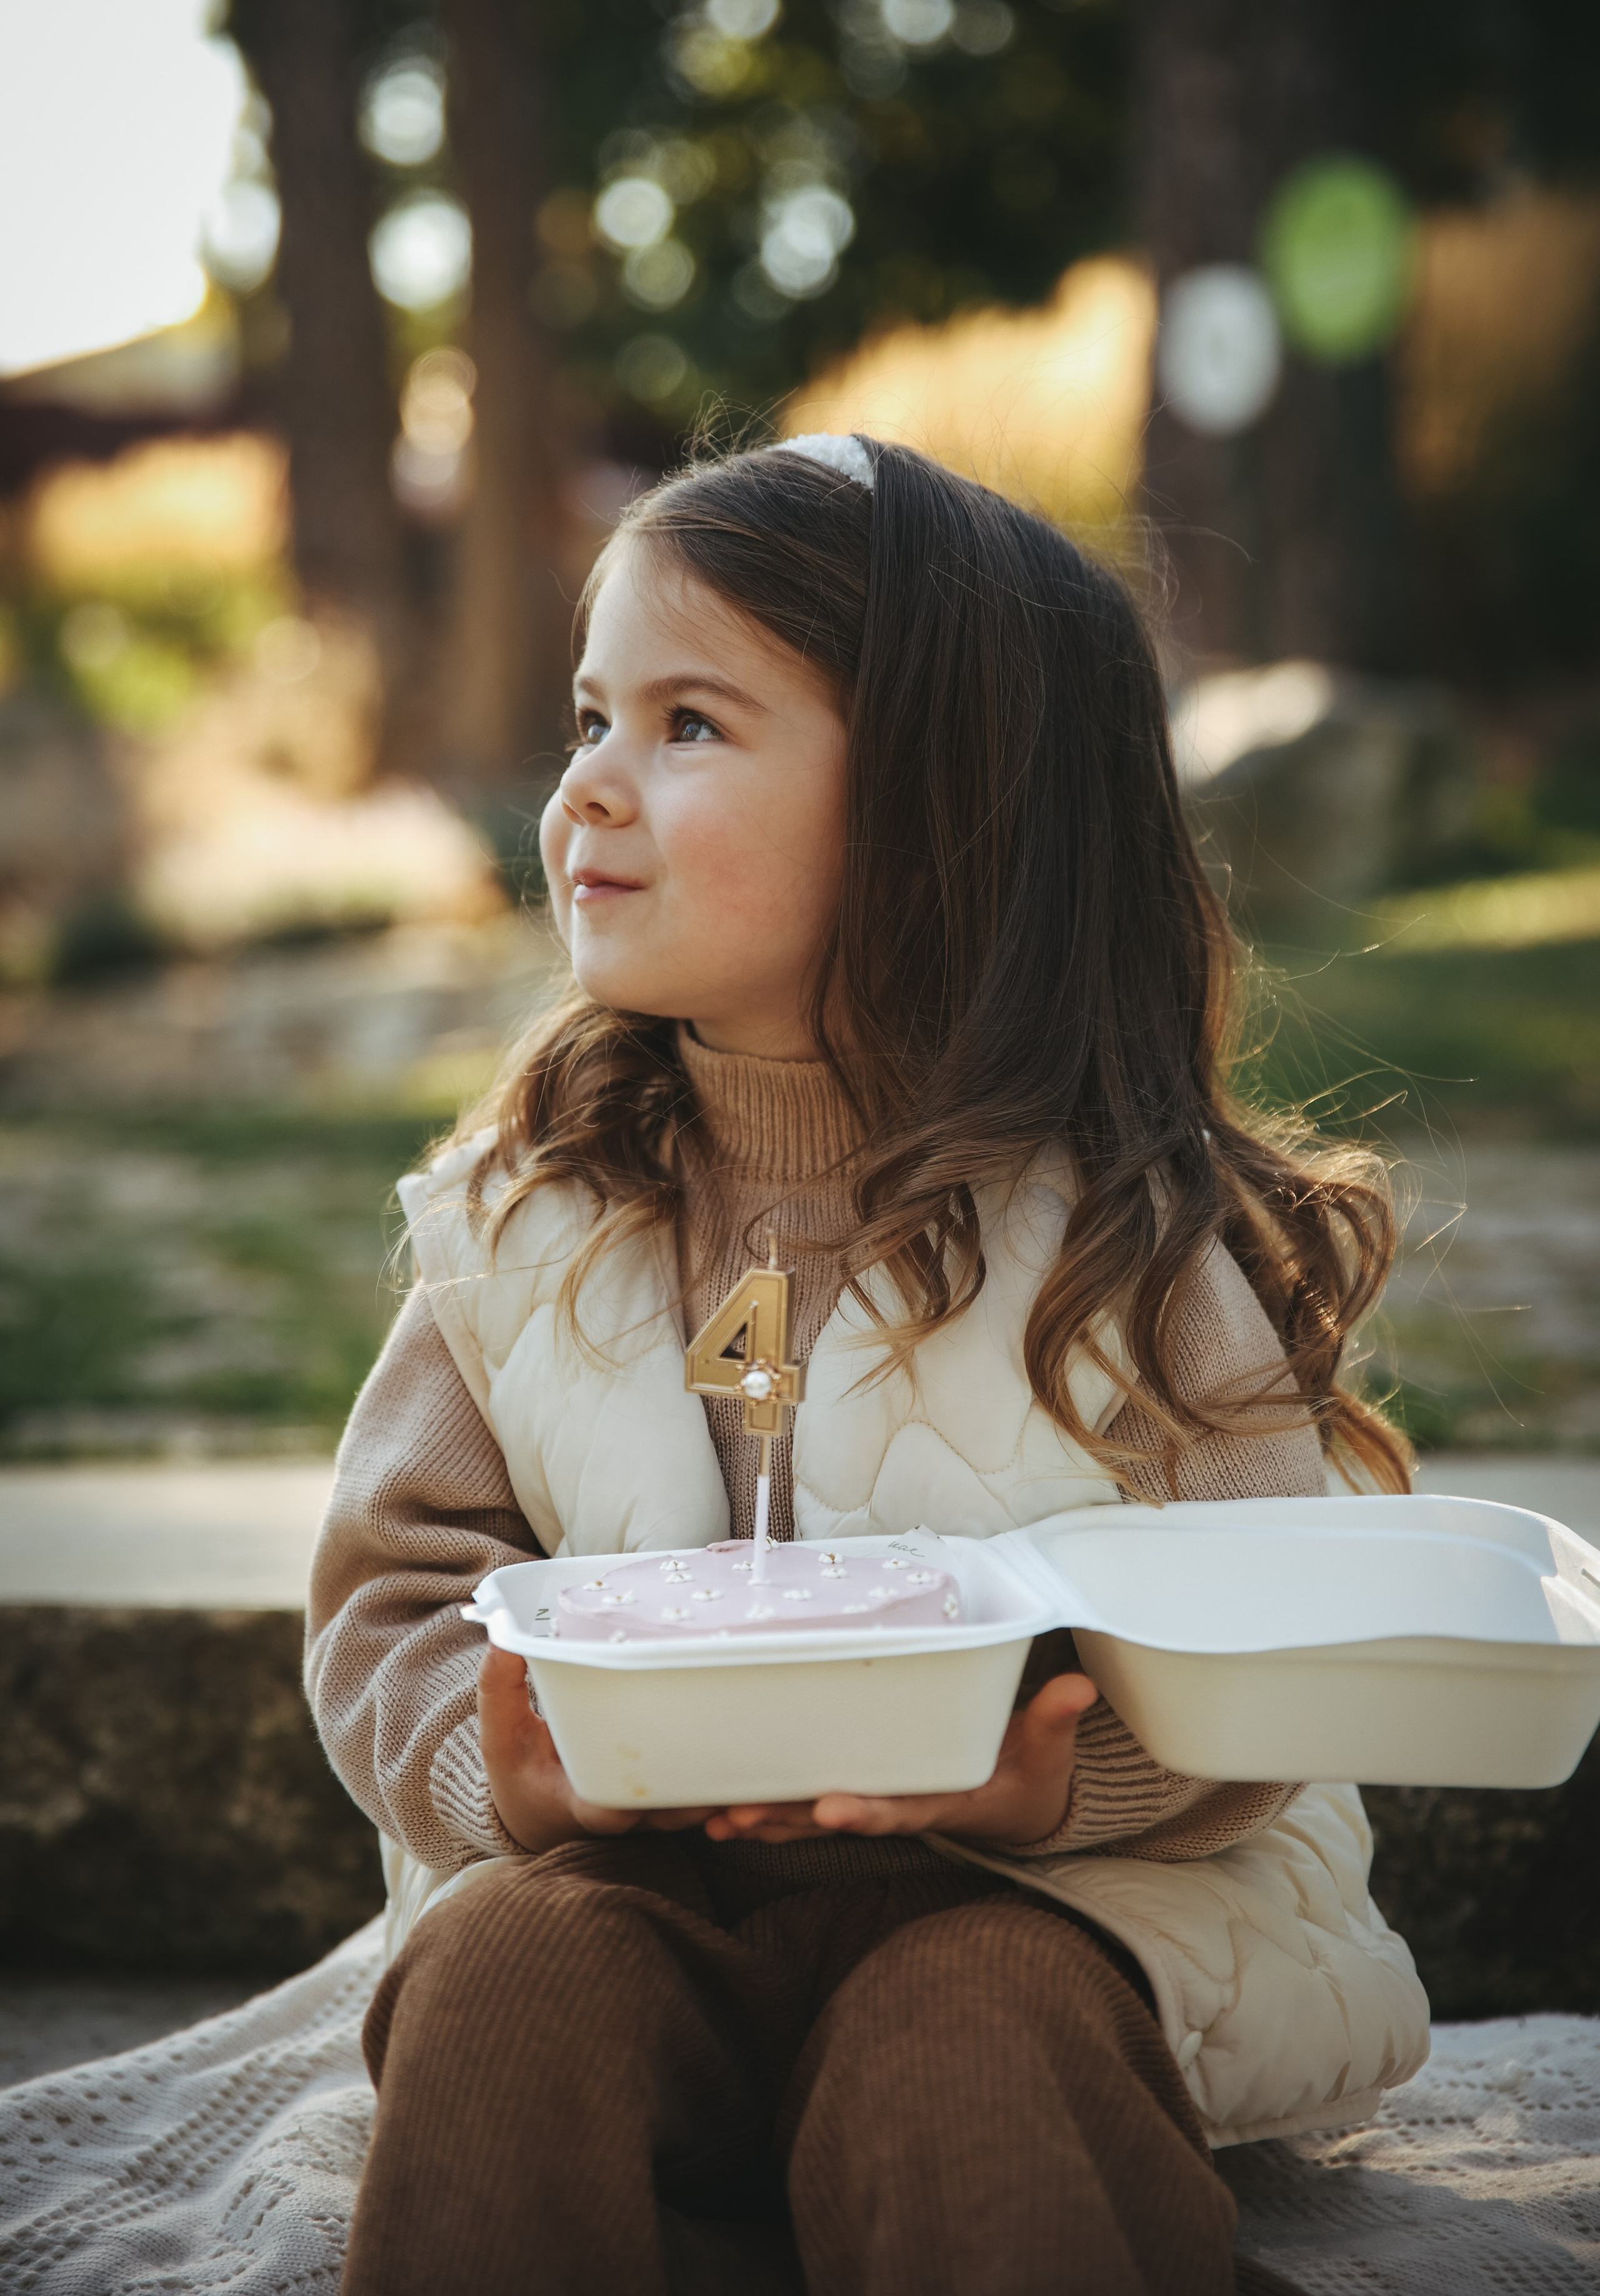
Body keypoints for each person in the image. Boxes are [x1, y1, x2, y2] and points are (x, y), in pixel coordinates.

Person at [310, 436, 1429, 2296]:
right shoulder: (531, 1219)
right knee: (501, 1988)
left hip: (1042, 1908)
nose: (586, 783)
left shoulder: (1123, 1242)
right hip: (636, 1902)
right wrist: (504, 1774)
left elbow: (1272, 1646)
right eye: (591, 715)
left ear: (942, 810)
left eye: (687, 724)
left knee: (959, 2052)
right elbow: (394, 1590)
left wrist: (1055, 1786)